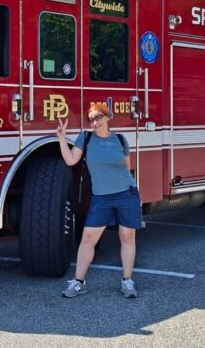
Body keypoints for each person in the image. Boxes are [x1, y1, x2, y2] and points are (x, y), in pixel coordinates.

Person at [56, 103, 142, 298]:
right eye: (91, 119)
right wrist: (62, 138)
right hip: (101, 197)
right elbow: (71, 160)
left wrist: (133, 192)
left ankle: (127, 282)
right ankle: (78, 282)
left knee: (127, 237)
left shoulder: (120, 140)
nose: (95, 122)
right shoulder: (85, 138)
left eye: (98, 118)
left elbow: (127, 168)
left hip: (126, 194)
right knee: (88, 239)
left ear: (107, 117)